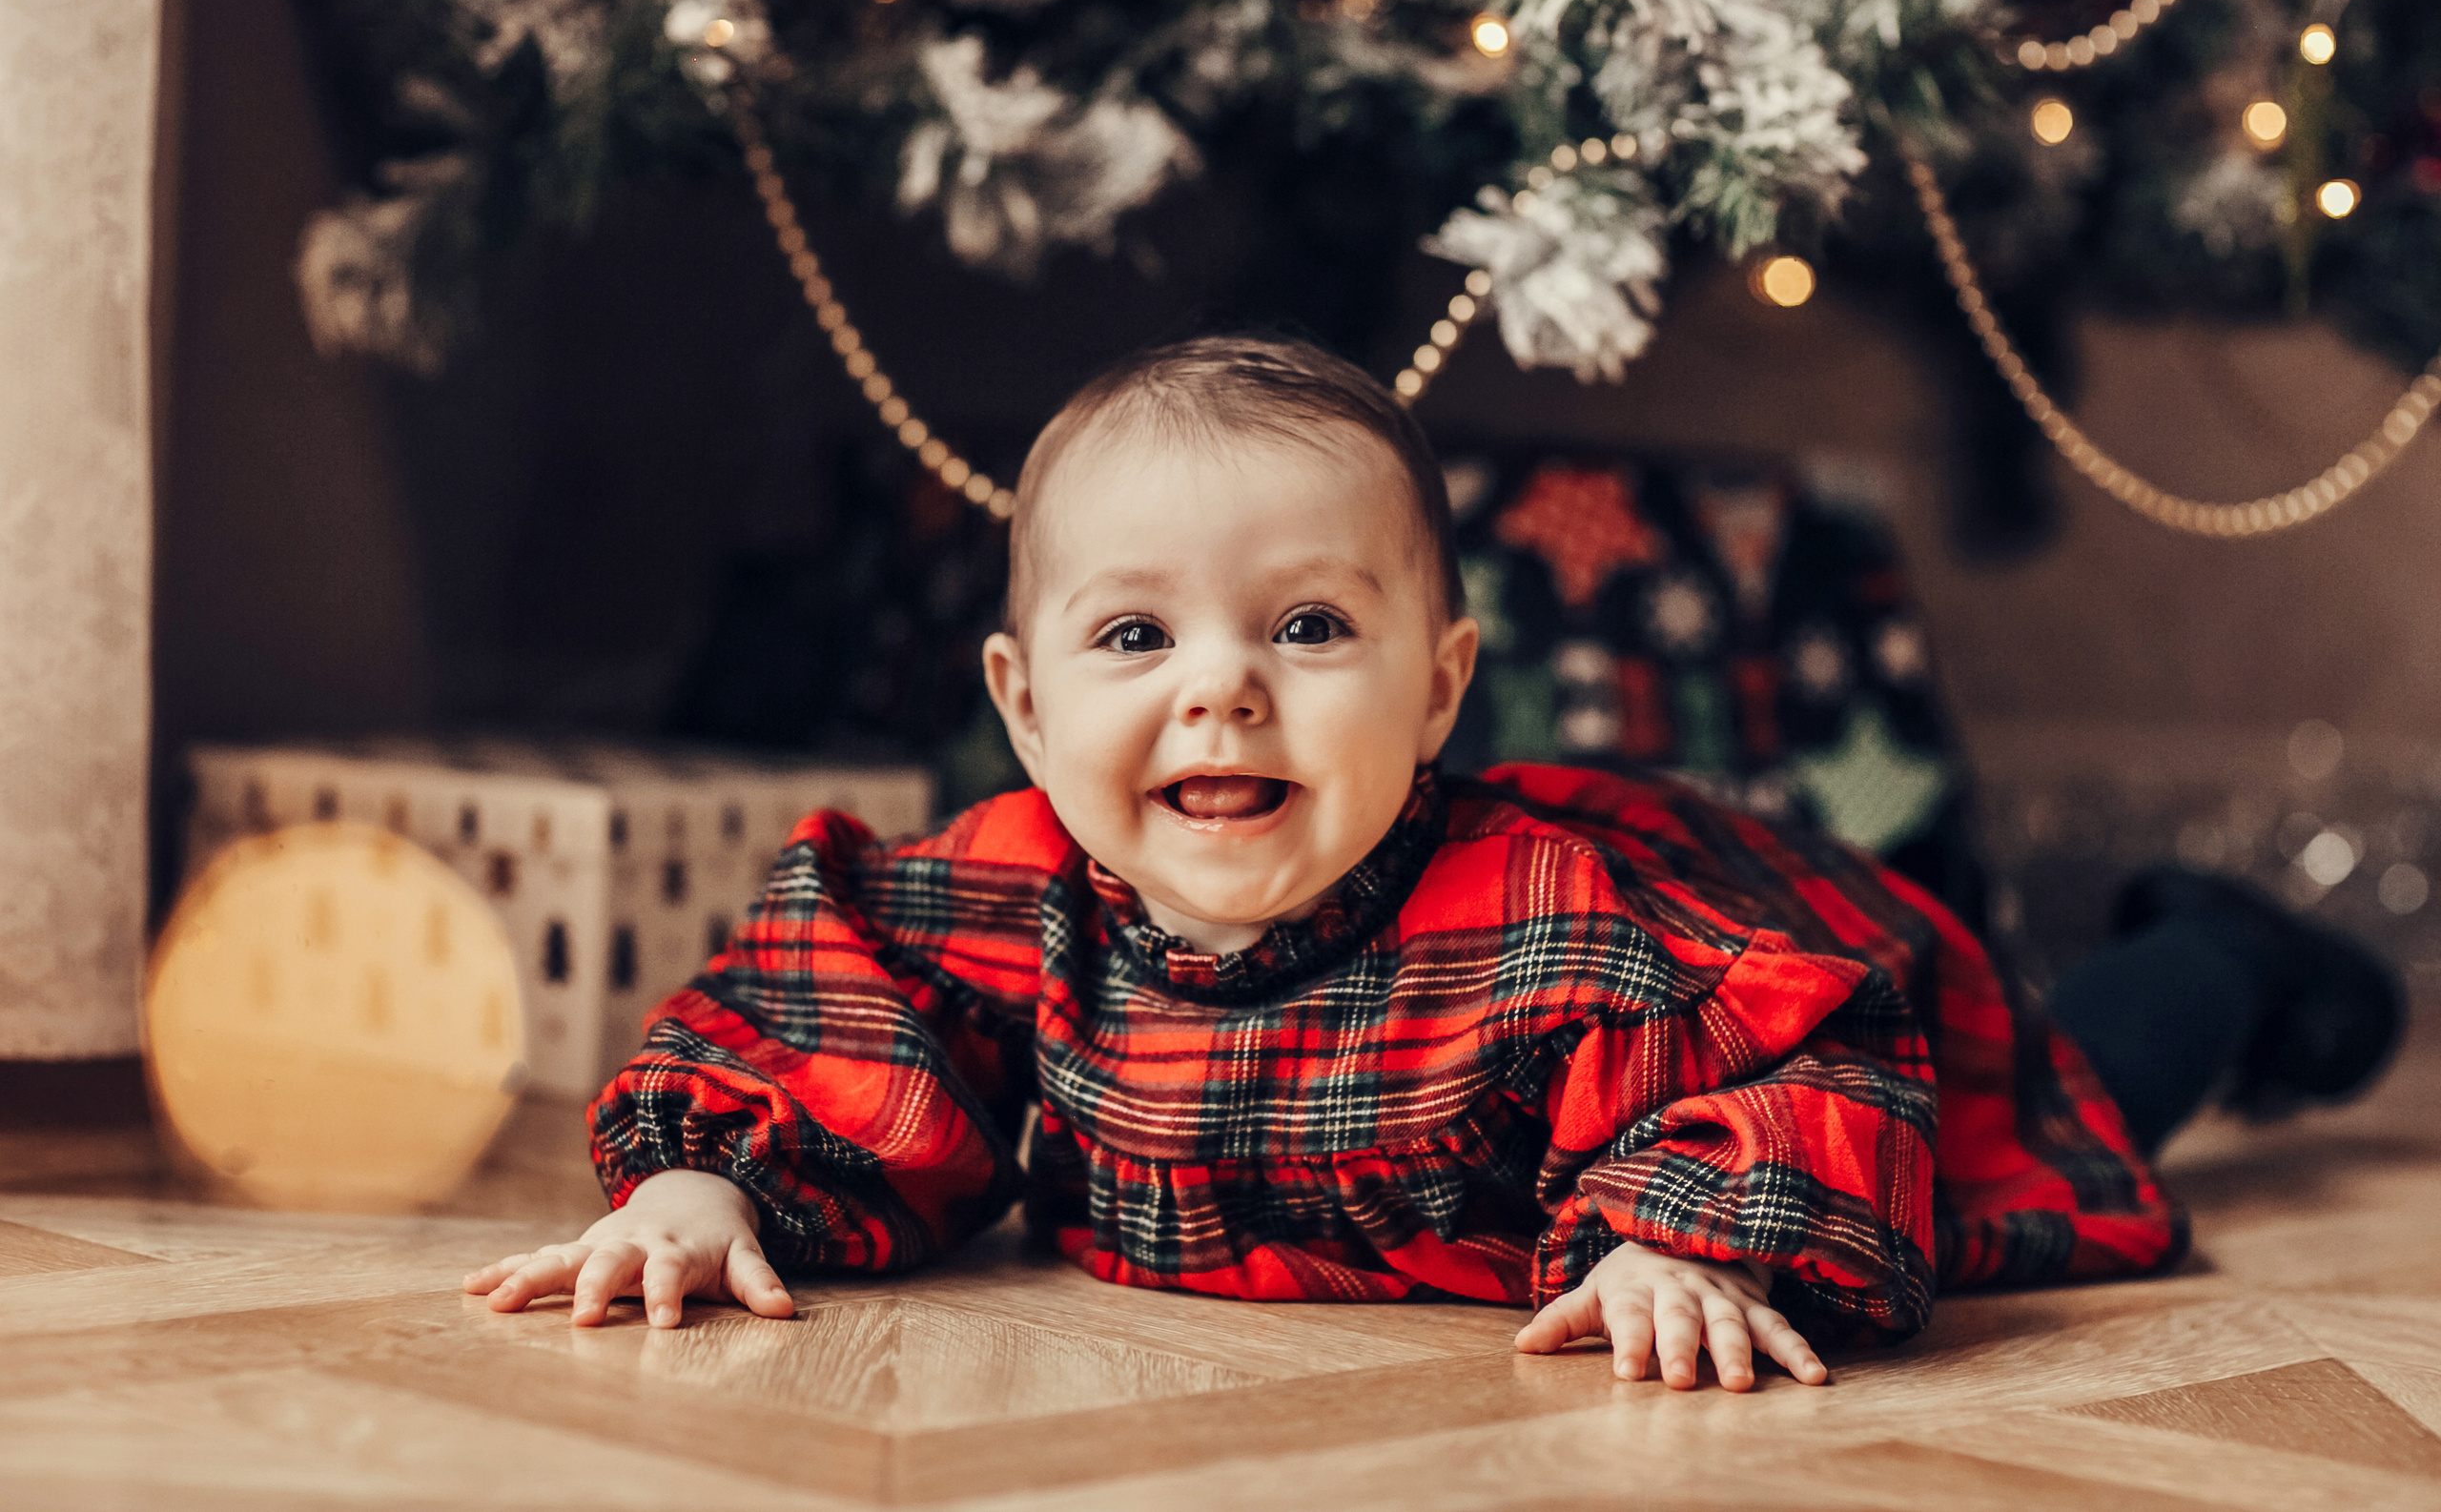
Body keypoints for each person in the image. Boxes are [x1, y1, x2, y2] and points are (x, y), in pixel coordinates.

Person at [465, 336, 2405, 1391]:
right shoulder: (1003, 891)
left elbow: (1791, 1063)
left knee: (2065, 1105)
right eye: (1134, 639)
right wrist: (710, 1172)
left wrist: (1673, 1229)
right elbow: (831, 1004)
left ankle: (2214, 956)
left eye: (1308, 629)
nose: (1220, 693)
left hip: (1810, 957)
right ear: (1025, 705)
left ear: (1436, 685)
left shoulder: (1561, 928)